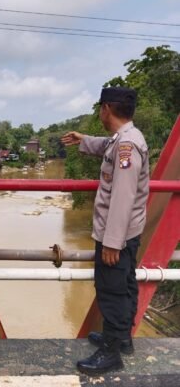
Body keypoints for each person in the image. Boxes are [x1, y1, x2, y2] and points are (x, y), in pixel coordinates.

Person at [61, 87, 149, 376]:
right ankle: (121, 339)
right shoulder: (124, 139)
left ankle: (111, 353)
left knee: (112, 291)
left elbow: (123, 196)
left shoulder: (127, 146)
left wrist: (112, 242)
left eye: (100, 108)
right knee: (125, 284)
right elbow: (107, 146)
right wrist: (84, 139)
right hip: (126, 232)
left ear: (106, 109)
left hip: (117, 235)